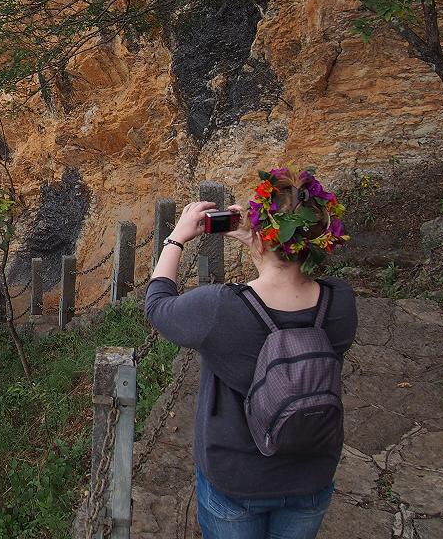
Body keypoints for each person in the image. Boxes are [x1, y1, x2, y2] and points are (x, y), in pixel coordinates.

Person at [144, 167, 358, 539]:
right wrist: (256, 241)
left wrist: (176, 238)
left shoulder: (220, 309)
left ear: (262, 237)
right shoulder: (339, 302)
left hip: (237, 477)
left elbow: (157, 304)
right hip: (310, 475)